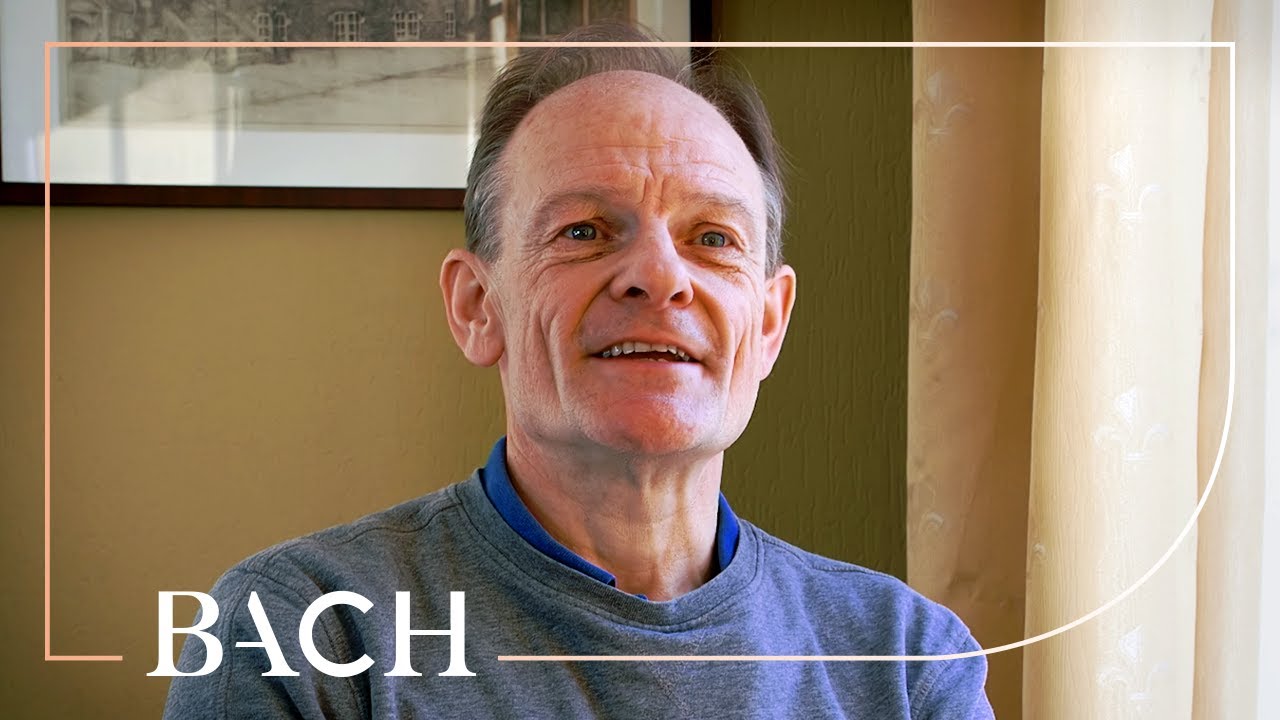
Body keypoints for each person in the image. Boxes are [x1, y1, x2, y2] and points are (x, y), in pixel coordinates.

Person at [162, 25, 994, 719]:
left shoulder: (910, 664)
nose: (660, 277)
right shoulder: (299, 632)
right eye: (585, 231)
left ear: (769, 324)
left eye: (713, 239)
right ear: (477, 306)